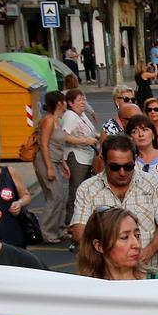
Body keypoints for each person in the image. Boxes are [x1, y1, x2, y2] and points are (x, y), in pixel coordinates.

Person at [69, 135, 158, 278]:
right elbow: (79, 231)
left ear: (135, 159)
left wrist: (144, 254)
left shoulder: (152, 184)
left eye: (128, 166)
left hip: (151, 272)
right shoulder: (87, 189)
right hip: (105, 276)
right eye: (115, 167)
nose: (122, 172)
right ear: (103, 161)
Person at [33, 91, 70, 245]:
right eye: (64, 101)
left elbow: (57, 144)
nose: (66, 103)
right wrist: (49, 167)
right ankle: (47, 232)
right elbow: (43, 144)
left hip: (56, 161)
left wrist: (63, 163)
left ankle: (59, 229)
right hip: (46, 162)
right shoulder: (48, 121)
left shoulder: (57, 120)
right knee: (54, 196)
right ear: (59, 103)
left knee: (61, 196)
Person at [60, 89, 100, 227]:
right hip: (77, 157)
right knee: (76, 189)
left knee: (86, 189)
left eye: (84, 99)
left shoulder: (81, 115)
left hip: (88, 156)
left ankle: (82, 218)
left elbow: (92, 133)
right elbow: (64, 136)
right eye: (79, 100)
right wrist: (84, 141)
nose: (83, 103)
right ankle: (70, 220)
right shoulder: (70, 116)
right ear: (70, 103)